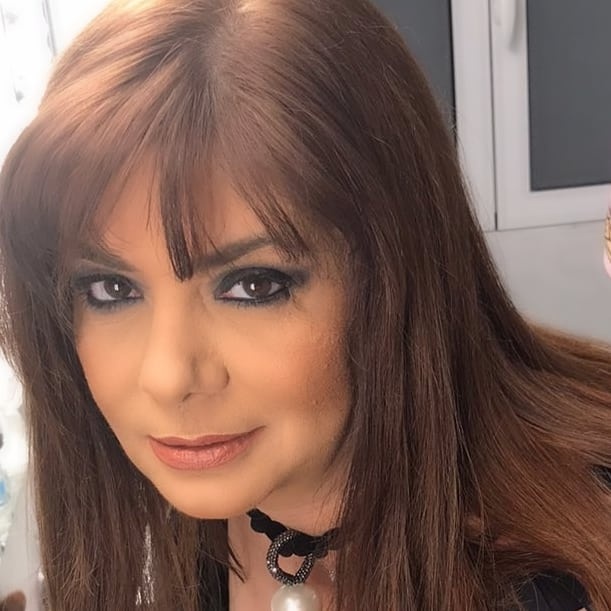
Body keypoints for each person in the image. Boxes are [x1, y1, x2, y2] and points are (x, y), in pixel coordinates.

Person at [0, 0, 609, 609]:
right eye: (110, 289)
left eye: (254, 285)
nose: (166, 377)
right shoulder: (199, 503)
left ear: (395, 273)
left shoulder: (561, 582)